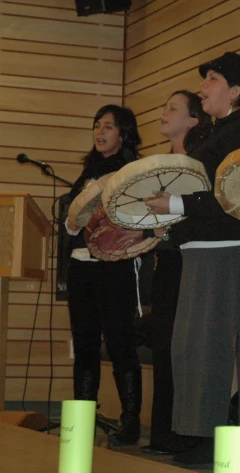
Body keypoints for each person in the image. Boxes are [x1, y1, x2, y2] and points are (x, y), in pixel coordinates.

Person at [145, 52, 240, 468]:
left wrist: (175, 202)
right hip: (201, 252)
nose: (203, 87)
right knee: (195, 350)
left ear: (235, 91)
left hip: (229, 252)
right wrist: (173, 224)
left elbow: (233, 196)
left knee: (223, 347)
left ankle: (226, 437)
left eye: (212, 79)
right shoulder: (216, 132)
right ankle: (205, 432)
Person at [64, 105, 143, 445]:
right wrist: (70, 223)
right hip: (81, 265)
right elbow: (71, 221)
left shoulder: (131, 172)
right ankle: (83, 417)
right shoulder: (87, 172)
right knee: (84, 345)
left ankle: (130, 421)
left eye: (108, 127)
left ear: (123, 134)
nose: (100, 132)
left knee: (120, 343)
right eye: (97, 125)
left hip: (114, 268)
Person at [142, 90, 212, 456]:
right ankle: (163, 433)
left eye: (173, 108)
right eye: (164, 105)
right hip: (167, 261)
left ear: (194, 120)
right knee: (164, 345)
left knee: (186, 347)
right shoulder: (157, 164)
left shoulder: (200, 162)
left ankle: (187, 433)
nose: (163, 112)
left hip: (194, 259)